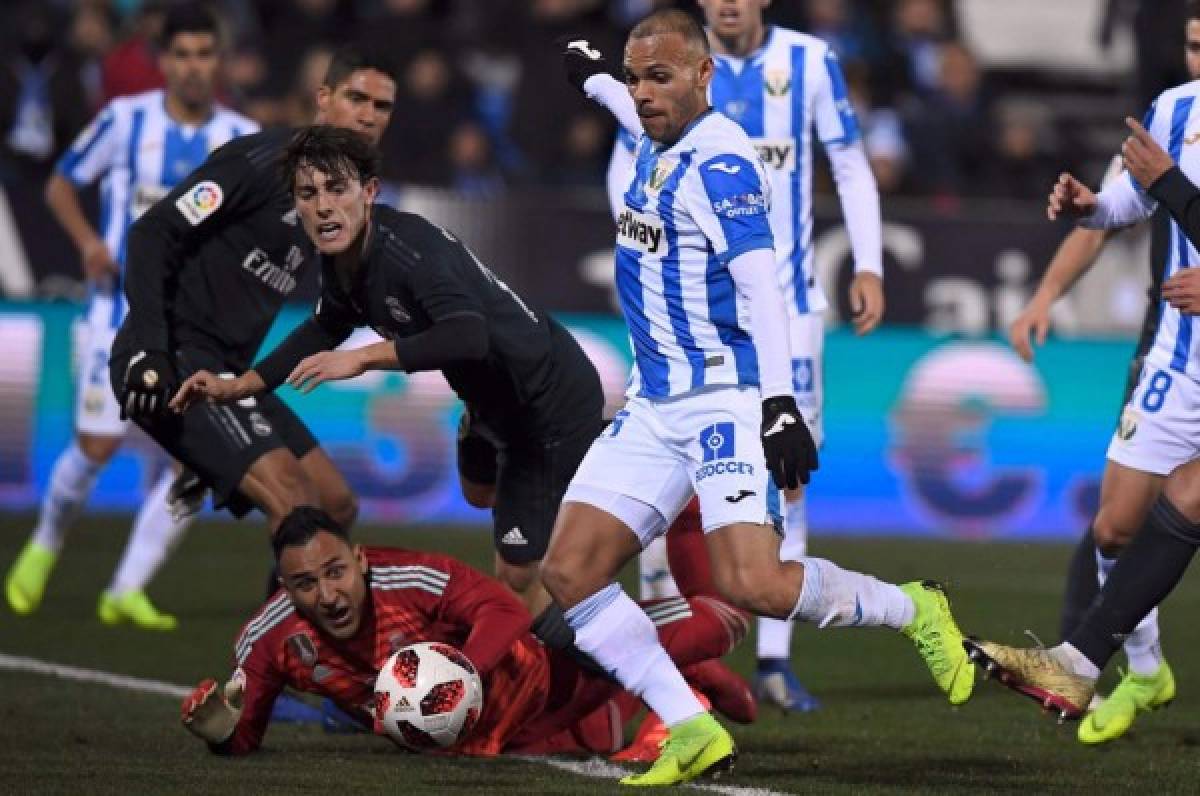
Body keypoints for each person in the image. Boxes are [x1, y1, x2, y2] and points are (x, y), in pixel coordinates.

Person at [543, 11, 972, 786]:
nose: (643, 94)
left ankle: (913, 608)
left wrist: (779, 405)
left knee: (753, 584)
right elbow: (617, 97)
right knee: (569, 571)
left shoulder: (722, 164)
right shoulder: (652, 125)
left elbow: (762, 288)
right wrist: (592, 74)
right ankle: (691, 727)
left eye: (660, 78)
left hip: (725, 400)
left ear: (704, 77)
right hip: (653, 403)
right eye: (637, 79)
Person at [169, 125, 604, 619]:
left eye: (337, 190)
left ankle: (547, 680)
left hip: (546, 406)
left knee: (519, 574)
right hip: (491, 402)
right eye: (308, 194)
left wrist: (363, 357)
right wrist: (243, 384)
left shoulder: (412, 254)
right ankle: (503, 437)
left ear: (369, 192)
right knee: (478, 494)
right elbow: (324, 326)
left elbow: (468, 337)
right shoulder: (342, 256)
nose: (323, 206)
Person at [605, 0, 885, 713]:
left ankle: (773, 658)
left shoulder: (810, 63)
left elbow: (849, 165)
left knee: (786, 475)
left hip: (783, 305)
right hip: (691, 308)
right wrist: (648, 252)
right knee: (659, 471)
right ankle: (670, 637)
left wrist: (869, 264)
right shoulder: (662, 70)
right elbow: (624, 162)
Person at [4, 3, 256, 630]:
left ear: (216, 62)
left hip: (195, 327)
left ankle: (126, 587)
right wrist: (89, 243)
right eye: (184, 55)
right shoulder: (124, 119)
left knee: (191, 462)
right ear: (164, 61)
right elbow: (60, 183)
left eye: (205, 55)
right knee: (96, 444)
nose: (195, 67)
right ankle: (44, 544)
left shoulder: (241, 138)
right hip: (115, 310)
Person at [965, 66, 1200, 728]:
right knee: (1118, 524)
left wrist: (1168, 183)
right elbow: (1136, 200)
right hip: (1182, 360)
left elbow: (1168, 189)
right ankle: (1119, 668)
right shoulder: (1177, 109)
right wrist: (1092, 205)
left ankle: (1080, 662)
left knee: (1188, 496)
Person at [178, 506, 751, 757]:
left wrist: (457, 675)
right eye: (305, 584)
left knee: (721, 620)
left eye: (335, 573)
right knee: (599, 741)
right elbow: (246, 738)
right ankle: (669, 683)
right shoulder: (270, 641)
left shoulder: (412, 575)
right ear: (283, 586)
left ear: (359, 559)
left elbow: (505, 612)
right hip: (501, 743)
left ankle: (693, 654)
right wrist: (221, 733)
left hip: (547, 677)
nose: (327, 595)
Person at [107, 45, 397, 536]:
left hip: (231, 374)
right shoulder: (264, 160)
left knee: (336, 504)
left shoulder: (344, 197)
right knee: (296, 500)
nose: (368, 116)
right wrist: (151, 351)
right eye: (356, 98)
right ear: (324, 98)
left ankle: (290, 612)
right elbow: (151, 233)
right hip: (174, 354)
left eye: (382, 106)